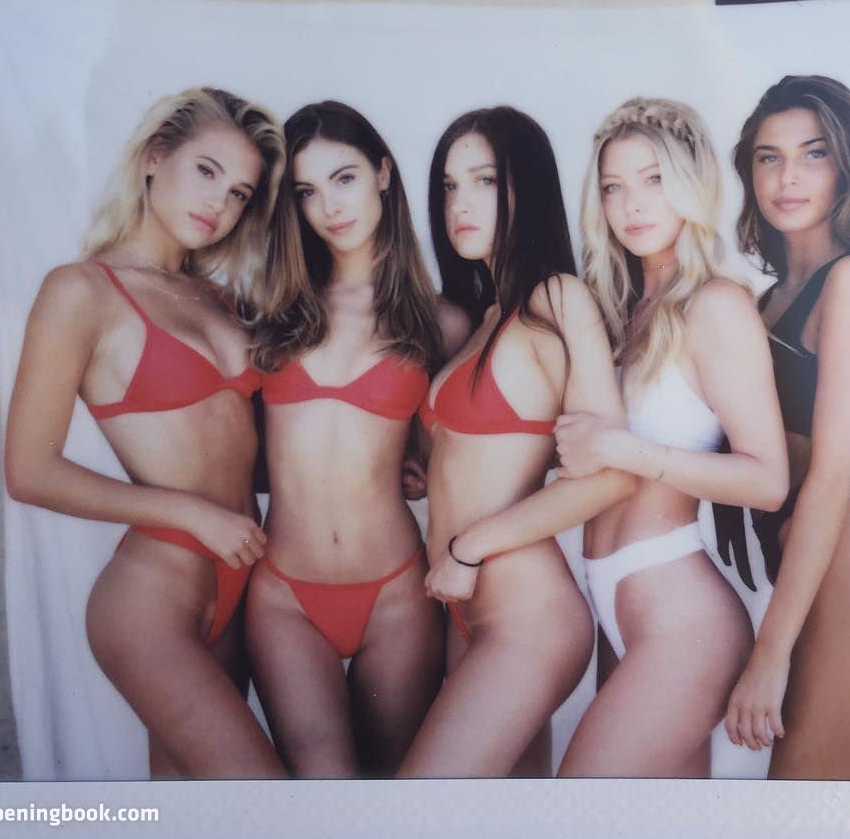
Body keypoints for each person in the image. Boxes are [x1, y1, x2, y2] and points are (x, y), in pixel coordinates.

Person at [423, 98, 788, 777]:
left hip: (681, 614)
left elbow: (768, 480)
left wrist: (630, 452)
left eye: (653, 180)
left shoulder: (715, 304)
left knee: (581, 810)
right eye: (614, 186)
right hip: (612, 601)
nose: (632, 205)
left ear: (691, 184)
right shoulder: (619, 307)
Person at [4, 87, 287, 779]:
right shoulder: (81, 291)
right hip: (153, 597)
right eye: (206, 171)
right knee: (264, 806)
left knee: (191, 815)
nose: (219, 203)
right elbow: (29, 471)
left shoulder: (220, 299)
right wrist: (189, 512)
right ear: (156, 157)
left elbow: (230, 449)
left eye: (240, 193)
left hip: (239, 582)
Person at [398, 105, 620, 778]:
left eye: (484, 181)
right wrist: (426, 468)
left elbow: (612, 474)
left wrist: (469, 546)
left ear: (527, 185)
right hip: (465, 614)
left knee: (419, 813)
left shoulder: (558, 299)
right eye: (449, 185)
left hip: (527, 618)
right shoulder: (488, 314)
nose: (459, 204)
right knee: (499, 817)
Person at [723, 74, 850, 779]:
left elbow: (832, 473)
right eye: (769, 157)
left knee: (798, 815)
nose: (788, 177)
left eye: (813, 154)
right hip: (819, 580)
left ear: (847, 167)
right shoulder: (768, 300)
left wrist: (769, 653)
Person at [247, 100, 463, 777]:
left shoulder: (440, 323)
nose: (328, 207)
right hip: (284, 596)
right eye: (307, 191)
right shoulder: (272, 313)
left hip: (396, 593)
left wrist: (421, 465)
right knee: (323, 799)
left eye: (343, 178)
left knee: (393, 796)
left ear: (383, 174)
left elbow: (459, 448)